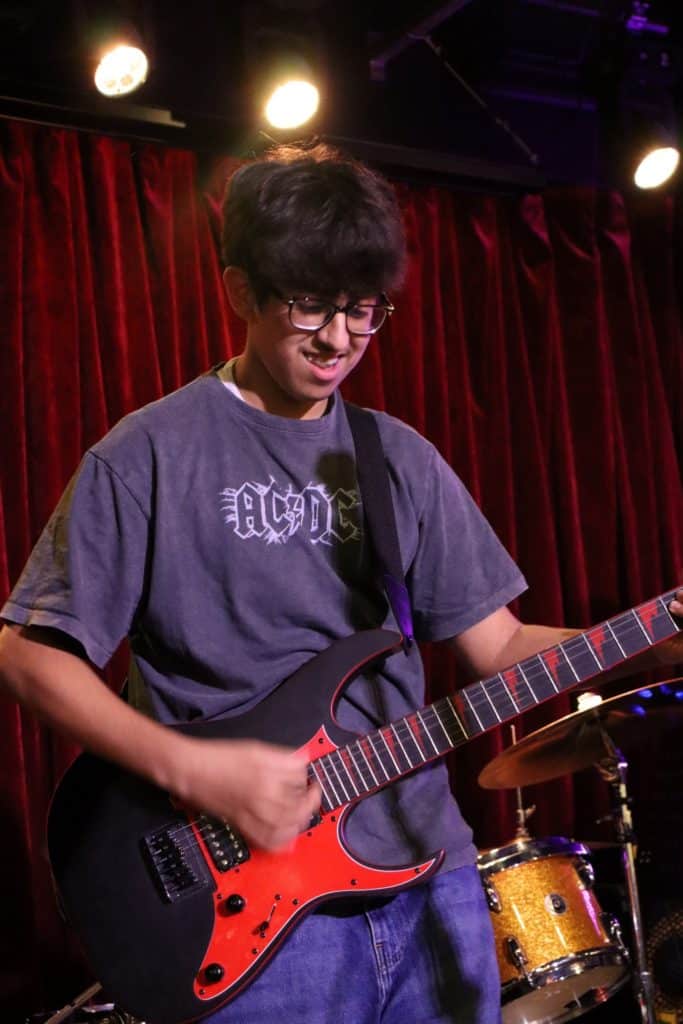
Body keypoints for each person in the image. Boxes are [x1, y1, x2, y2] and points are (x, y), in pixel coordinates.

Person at [0, 141, 681, 1024]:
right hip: (248, 904)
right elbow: (28, 656)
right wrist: (198, 772)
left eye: (364, 312)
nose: (338, 340)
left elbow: (499, 646)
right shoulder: (148, 454)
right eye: (311, 306)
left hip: (422, 876)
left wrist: (651, 638)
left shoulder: (398, 459)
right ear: (242, 291)